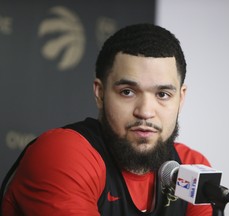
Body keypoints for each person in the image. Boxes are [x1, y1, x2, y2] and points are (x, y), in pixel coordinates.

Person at [1, 23, 212, 215]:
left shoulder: (191, 168)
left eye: (163, 95)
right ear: (100, 93)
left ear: (181, 98)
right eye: (128, 92)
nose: (146, 111)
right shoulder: (63, 153)